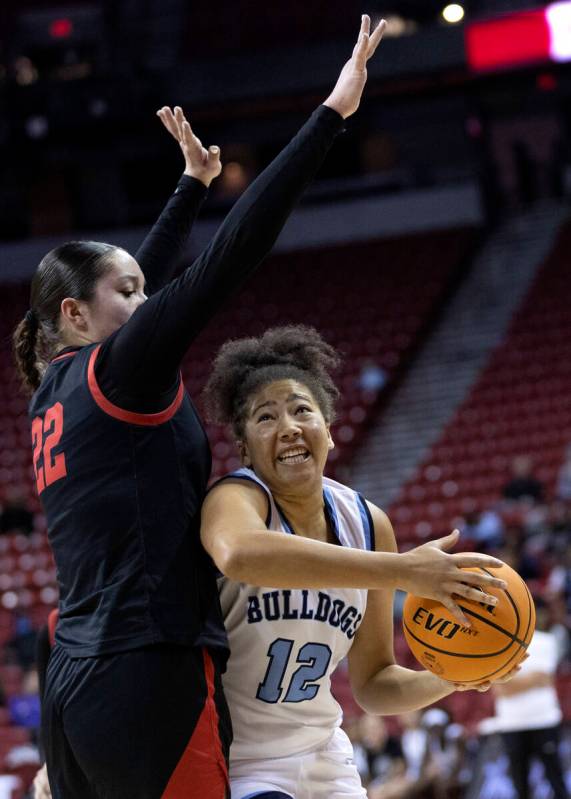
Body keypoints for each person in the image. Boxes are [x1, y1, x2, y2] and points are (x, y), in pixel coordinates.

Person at [12, 16, 386, 799]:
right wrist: (329, 117)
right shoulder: (120, 371)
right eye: (128, 296)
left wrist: (188, 186)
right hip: (149, 670)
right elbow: (229, 258)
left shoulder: (58, 381)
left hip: (75, 667)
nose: (145, 300)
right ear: (78, 315)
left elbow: (131, 276)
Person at [199, 324, 519, 799]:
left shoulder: (368, 523)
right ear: (244, 448)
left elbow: (374, 684)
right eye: (265, 417)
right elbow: (240, 553)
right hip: (243, 761)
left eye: (302, 410)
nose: (288, 426)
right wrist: (403, 571)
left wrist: (456, 675)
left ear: (327, 431)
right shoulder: (236, 499)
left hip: (326, 754)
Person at [492, 602, 570, 799]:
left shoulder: (546, 640)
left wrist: (511, 683)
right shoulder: (498, 642)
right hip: (511, 724)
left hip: (544, 720)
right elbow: (501, 689)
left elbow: (545, 678)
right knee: (520, 787)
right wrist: (530, 680)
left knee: (557, 782)